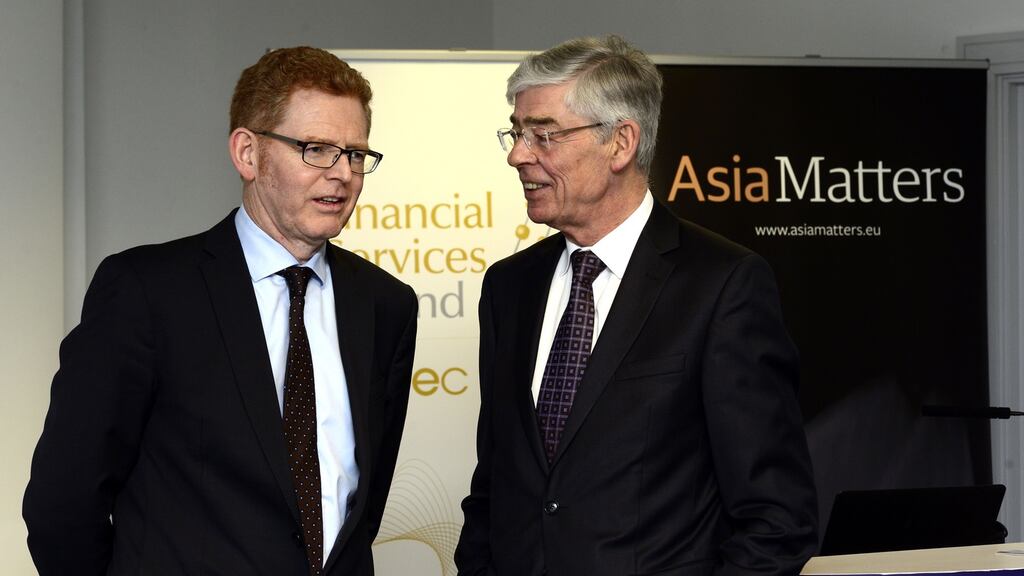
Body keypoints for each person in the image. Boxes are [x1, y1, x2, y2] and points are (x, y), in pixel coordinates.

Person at [24, 46, 417, 576]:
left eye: (355, 154)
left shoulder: (385, 304)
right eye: (316, 149)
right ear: (248, 154)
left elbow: (358, 508)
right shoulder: (147, 292)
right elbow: (65, 499)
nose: (343, 174)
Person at [455, 36, 818, 576]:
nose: (517, 154)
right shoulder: (510, 287)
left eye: (544, 135)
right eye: (517, 131)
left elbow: (776, 518)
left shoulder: (721, 286)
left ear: (621, 143)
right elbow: (495, 487)